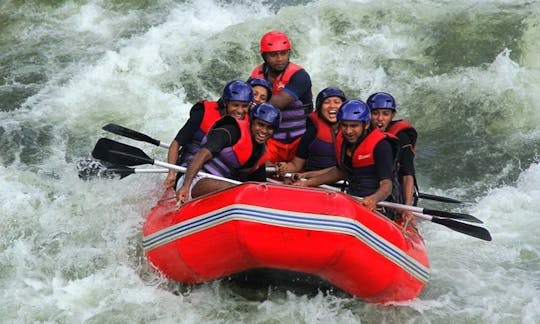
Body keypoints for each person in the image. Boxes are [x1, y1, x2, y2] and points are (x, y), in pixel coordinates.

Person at [291, 99, 398, 215]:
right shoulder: (343, 142)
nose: (348, 131)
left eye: (354, 126)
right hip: (353, 198)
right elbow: (340, 171)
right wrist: (306, 183)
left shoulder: (381, 146)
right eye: (344, 125)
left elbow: (387, 185)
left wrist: (373, 199)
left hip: (379, 204)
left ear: (366, 124)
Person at [176, 103, 281, 203]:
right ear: (252, 121)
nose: (264, 131)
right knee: (240, 190)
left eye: (270, 128)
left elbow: (261, 185)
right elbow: (202, 155)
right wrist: (185, 186)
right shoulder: (231, 131)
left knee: (255, 193)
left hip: (226, 189)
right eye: (260, 125)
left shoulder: (260, 152)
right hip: (193, 180)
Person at [163, 80, 254, 189]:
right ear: (225, 102)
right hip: (190, 174)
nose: (240, 111)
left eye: (244, 106)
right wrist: (172, 173)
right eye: (235, 105)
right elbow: (177, 143)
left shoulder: (250, 122)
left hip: (223, 178)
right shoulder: (202, 113)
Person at [250, 30, 313, 162]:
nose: (280, 59)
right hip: (271, 141)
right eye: (274, 55)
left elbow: (276, 104)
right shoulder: (257, 74)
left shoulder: (300, 76)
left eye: (284, 54)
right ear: (264, 56)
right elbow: (240, 99)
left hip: (299, 141)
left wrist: (251, 102)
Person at [367, 91, 418, 223]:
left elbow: (407, 175)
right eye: (375, 113)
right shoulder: (362, 132)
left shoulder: (402, 137)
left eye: (385, 114)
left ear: (392, 115)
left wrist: (407, 208)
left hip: (396, 188)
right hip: (371, 185)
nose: (380, 118)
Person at [275, 87, 346, 179]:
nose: (332, 106)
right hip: (315, 186)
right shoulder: (311, 133)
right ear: (319, 107)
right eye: (326, 102)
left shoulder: (351, 132)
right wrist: (283, 167)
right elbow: (296, 165)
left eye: (337, 102)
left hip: (343, 185)